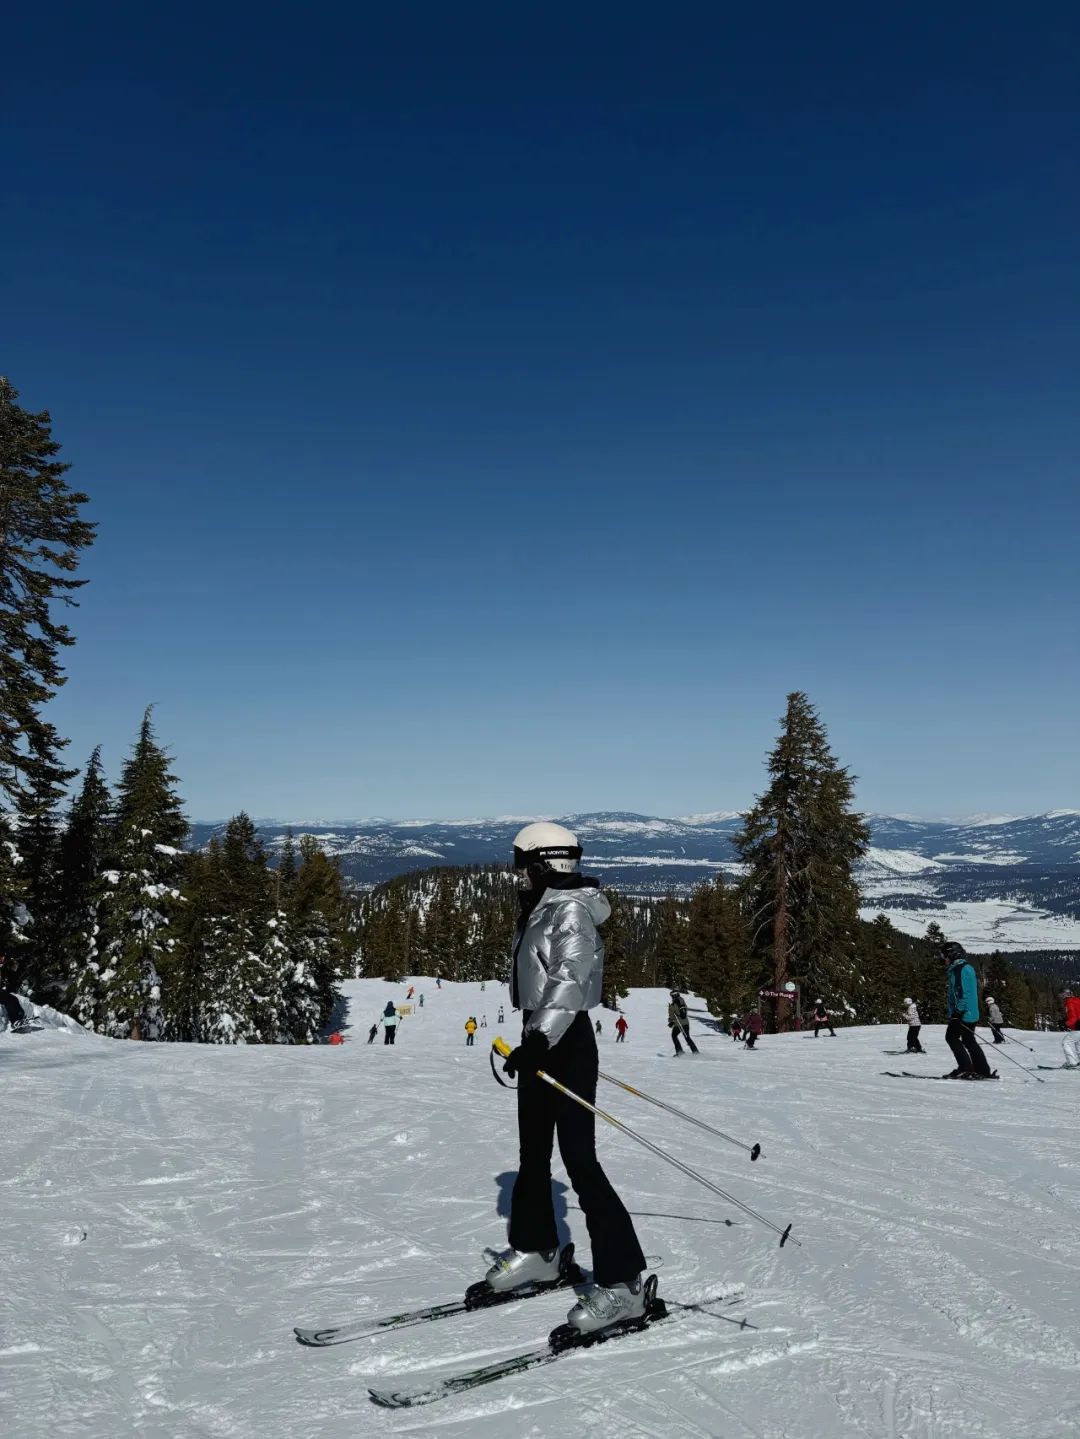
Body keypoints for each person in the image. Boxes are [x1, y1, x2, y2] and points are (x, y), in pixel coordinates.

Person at [484, 822, 647, 1336]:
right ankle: (539, 1250)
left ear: (543, 864)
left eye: (520, 863)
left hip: (565, 1039)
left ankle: (623, 1285)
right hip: (539, 1032)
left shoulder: (571, 909)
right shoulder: (544, 905)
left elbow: (569, 980)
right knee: (532, 1153)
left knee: (580, 1160)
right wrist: (533, 1037)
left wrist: (540, 1040)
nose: (515, 874)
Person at [943, 942, 994, 1079]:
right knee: (968, 1040)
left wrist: (957, 1012)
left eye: (945, 956)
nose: (944, 959)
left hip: (963, 1013)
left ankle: (966, 1068)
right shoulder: (964, 968)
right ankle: (982, 1070)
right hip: (969, 1012)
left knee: (951, 1037)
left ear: (952, 955)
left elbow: (963, 993)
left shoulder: (960, 969)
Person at [668, 990, 699, 1055]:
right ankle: (695, 1051)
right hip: (686, 1023)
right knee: (687, 1037)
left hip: (679, 1023)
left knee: (674, 1036)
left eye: (672, 995)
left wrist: (671, 1021)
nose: (672, 997)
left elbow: (672, 1015)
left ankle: (679, 1051)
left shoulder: (674, 1004)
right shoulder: (682, 1001)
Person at [1062, 990, 1080, 1068]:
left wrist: (1066, 1024)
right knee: (1078, 1044)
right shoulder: (1077, 1001)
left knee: (1065, 1042)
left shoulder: (1070, 1003)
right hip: (1078, 1026)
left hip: (1078, 1026)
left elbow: (1074, 1017)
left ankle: (1072, 1062)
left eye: (1063, 994)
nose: (1062, 996)